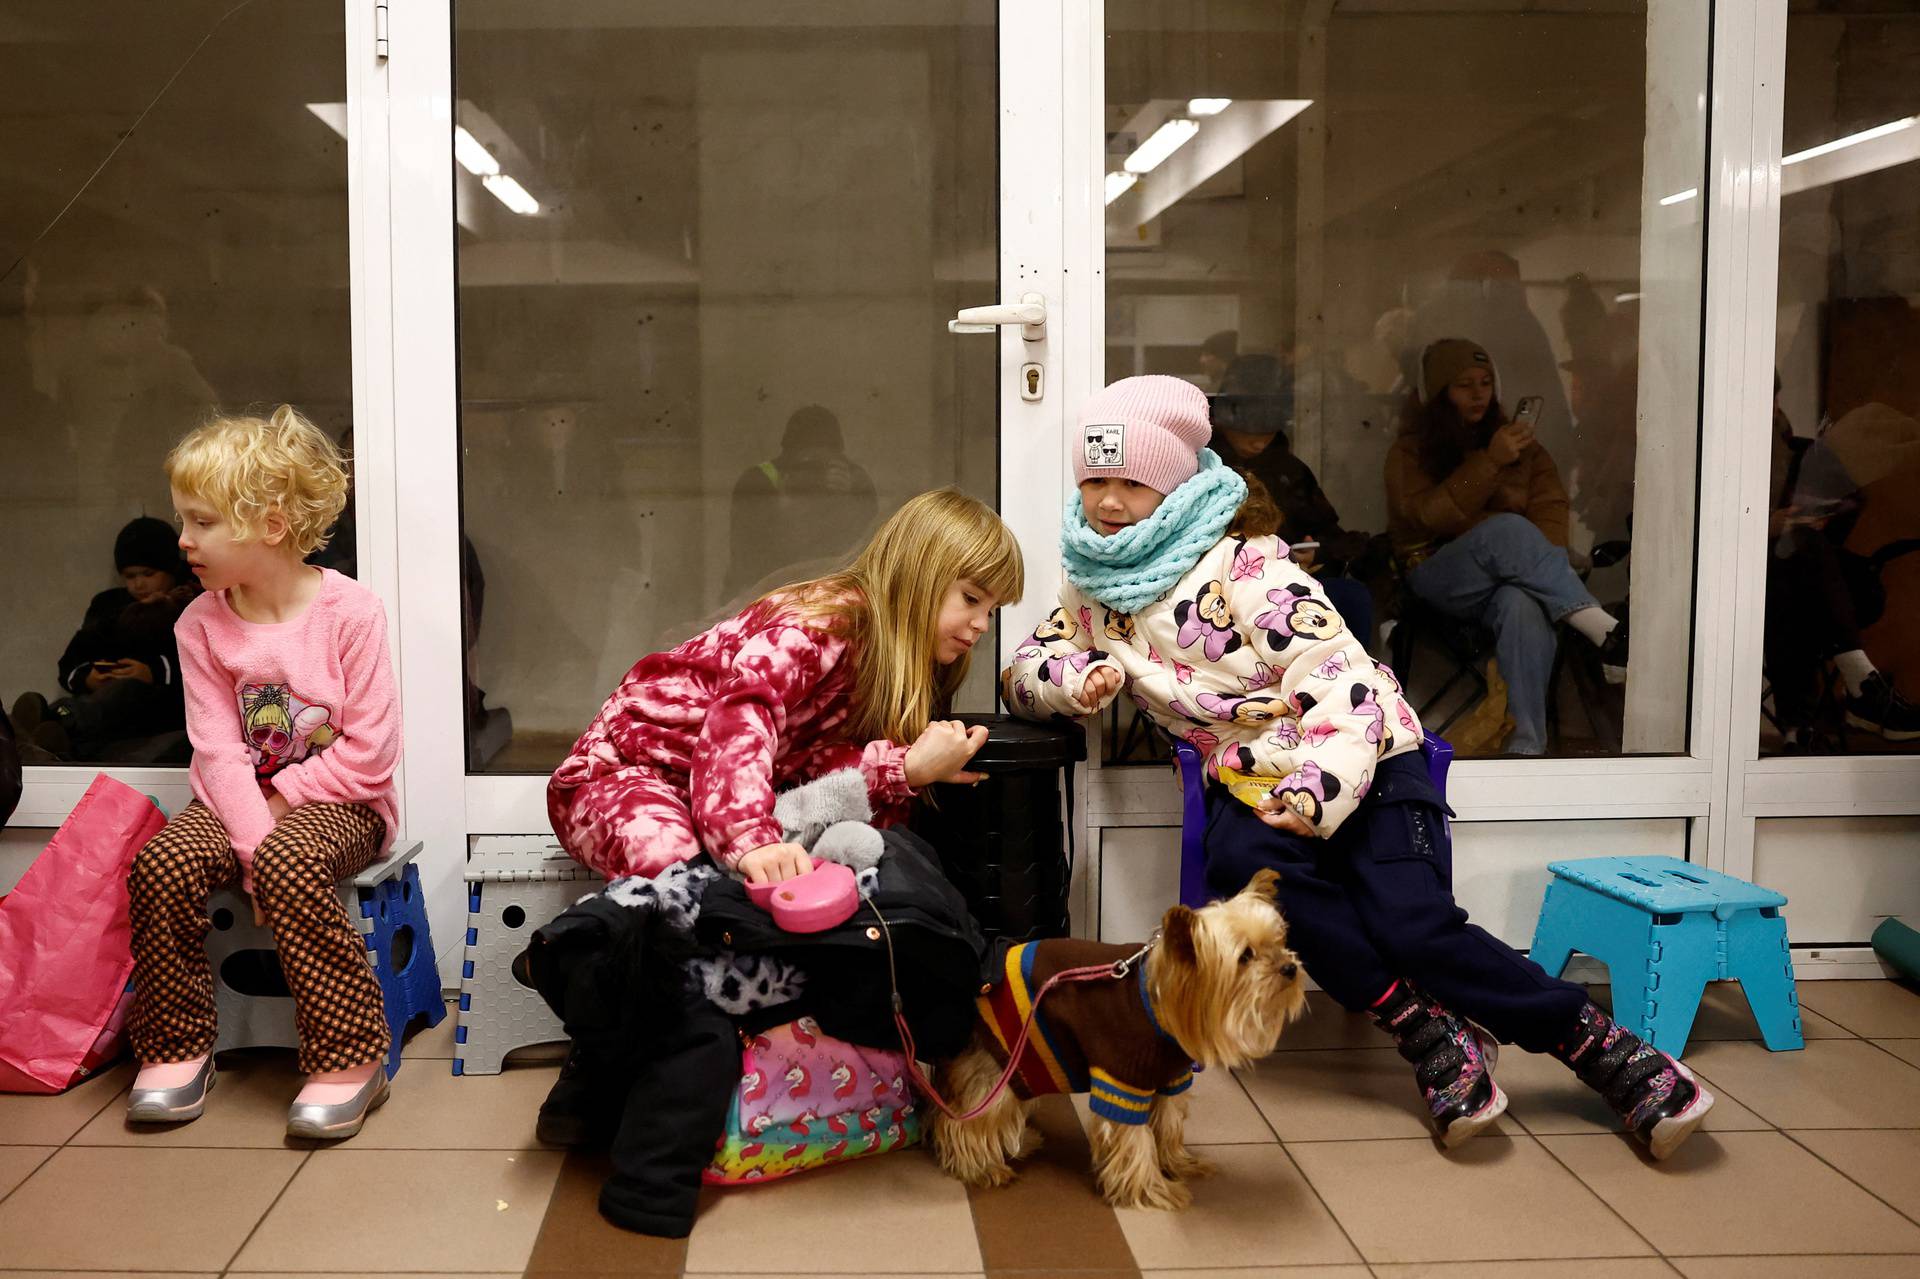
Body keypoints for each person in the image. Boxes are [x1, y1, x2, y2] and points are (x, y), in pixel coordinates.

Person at [1004, 375, 1713, 1159]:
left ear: (1172, 485)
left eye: (1130, 482)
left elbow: (1348, 687)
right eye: (1093, 480)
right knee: (1243, 864)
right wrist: (1073, 679)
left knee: (1410, 923)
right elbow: (1026, 668)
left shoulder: (1248, 569)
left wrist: (1316, 788)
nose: (1106, 501)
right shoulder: (1093, 585)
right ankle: (1429, 1030)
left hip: (1363, 758)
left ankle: (1607, 1052)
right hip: (1255, 779)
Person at [541, 487, 1021, 1142]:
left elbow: (819, 766)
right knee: (678, 876)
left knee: (788, 881)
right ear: (922, 574)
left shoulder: (890, 657)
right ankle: (599, 1055)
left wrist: (904, 770)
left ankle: (735, 1044)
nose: (979, 625)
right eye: (971, 598)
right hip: (623, 773)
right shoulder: (816, 629)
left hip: (722, 791)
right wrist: (746, 839)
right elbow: (738, 726)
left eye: (991, 611)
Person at [123, 406, 400, 1139]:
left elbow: (370, 750)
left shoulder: (351, 611)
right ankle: (177, 1047)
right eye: (184, 520)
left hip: (343, 797)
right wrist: (254, 841)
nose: (183, 540)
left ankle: (350, 1058)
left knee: (292, 857)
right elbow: (216, 751)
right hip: (234, 799)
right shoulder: (199, 625)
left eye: (203, 522)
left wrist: (286, 802)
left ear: (270, 527)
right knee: (161, 865)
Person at [1385, 339, 1628, 756]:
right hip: (1437, 576)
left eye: (1485, 383)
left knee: (1521, 603)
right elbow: (1429, 516)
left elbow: (1551, 518)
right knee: (1506, 530)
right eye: (1464, 385)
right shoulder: (1411, 452)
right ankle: (1602, 631)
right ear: (1440, 393)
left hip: (1502, 586)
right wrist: (1490, 462)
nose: (1479, 393)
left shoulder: (1527, 453)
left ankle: (1527, 745)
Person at [1208, 353, 1374, 646]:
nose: (1258, 441)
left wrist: (1317, 555)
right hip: (1216, 590)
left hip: (1289, 587)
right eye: (1247, 431)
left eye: (1268, 431)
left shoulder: (1290, 472)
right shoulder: (1201, 467)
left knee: (1351, 597)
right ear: (1222, 422)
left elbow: (1335, 536)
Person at [10, 517, 197, 760]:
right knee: (111, 698)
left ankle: (49, 722)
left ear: (170, 569)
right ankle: (47, 732)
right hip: (100, 718)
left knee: (126, 689)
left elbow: (202, 667)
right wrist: (88, 676)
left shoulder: (190, 602)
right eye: (130, 576)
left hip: (161, 710)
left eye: (148, 574)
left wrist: (153, 674)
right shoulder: (109, 606)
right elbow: (71, 660)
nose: (139, 584)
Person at [724, 405, 879, 597]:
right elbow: (746, 562)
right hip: (771, 590)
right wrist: (784, 504)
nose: (813, 475)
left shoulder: (851, 479)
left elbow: (869, 552)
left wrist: (849, 500)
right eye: (806, 465)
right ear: (785, 458)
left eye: (821, 463)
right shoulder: (760, 481)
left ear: (838, 457)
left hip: (834, 588)